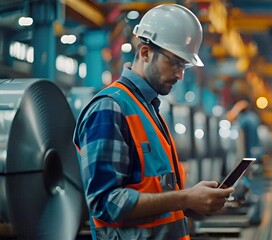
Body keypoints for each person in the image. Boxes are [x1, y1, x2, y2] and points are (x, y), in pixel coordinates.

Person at [73, 4, 234, 240]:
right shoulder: (110, 108)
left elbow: (157, 198)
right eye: (175, 63)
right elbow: (105, 204)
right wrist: (185, 198)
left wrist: (194, 204)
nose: (180, 75)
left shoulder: (149, 110)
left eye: (184, 66)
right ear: (146, 52)